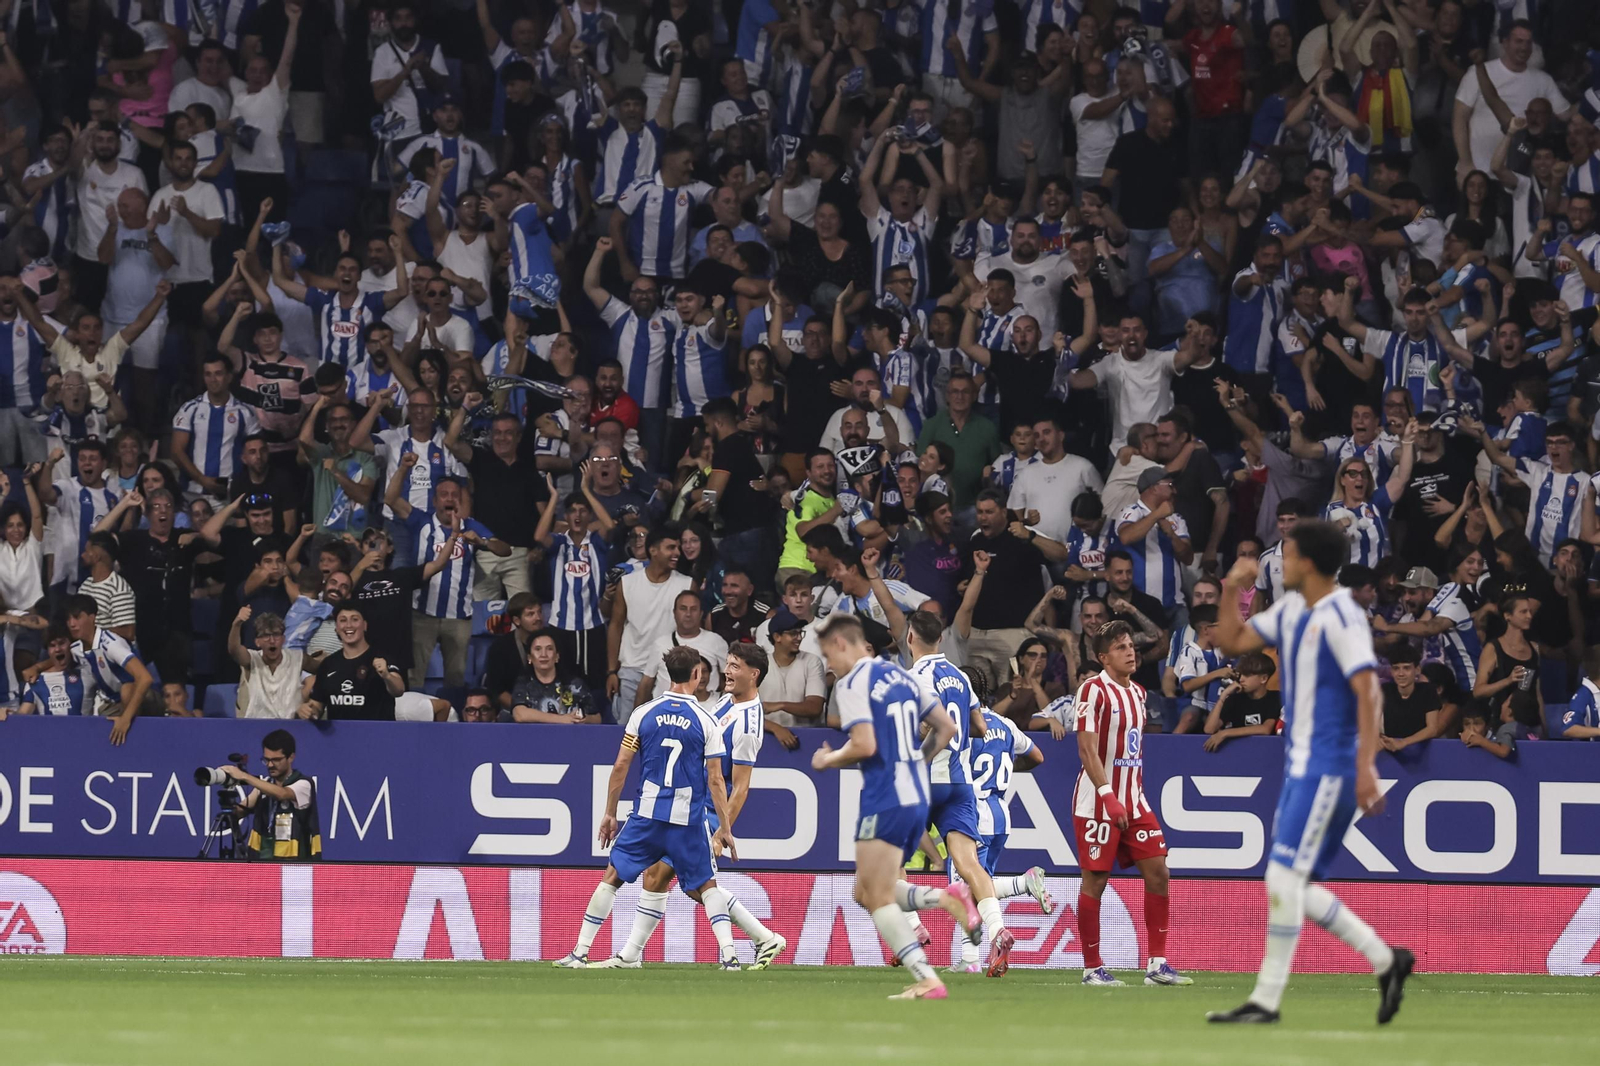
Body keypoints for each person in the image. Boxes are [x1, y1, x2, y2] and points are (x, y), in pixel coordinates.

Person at [1212, 520, 1414, 1024]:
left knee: (1282, 876)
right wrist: (1232, 587)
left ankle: (1267, 1000)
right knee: (1293, 883)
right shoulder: (1291, 609)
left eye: (1290, 553)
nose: (1282, 561)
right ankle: (1387, 960)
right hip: (1303, 766)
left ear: (1307, 562)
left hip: (1330, 767)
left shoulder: (1342, 614)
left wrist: (1366, 766)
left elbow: (1368, 689)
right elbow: (1233, 641)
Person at [587, 642, 788, 970]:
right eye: (729, 664)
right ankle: (630, 956)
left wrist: (722, 832)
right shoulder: (727, 702)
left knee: (693, 885)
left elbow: (740, 786)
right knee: (659, 877)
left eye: (735, 667)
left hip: (704, 811)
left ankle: (763, 937)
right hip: (686, 804)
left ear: (755, 674)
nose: (728, 671)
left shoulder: (750, 725)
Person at [809, 613, 978, 999]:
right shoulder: (903, 676)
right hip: (916, 794)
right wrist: (917, 763)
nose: (828, 665)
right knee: (864, 892)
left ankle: (928, 977)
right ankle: (943, 899)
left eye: (827, 655)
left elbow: (865, 745)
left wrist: (828, 760)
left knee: (877, 896)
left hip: (884, 796)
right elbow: (947, 728)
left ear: (841, 644)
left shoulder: (852, 682)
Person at [555, 646, 743, 970]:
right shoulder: (707, 721)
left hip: (648, 816)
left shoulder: (643, 714)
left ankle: (580, 952)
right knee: (707, 884)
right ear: (697, 675)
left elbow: (621, 766)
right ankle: (730, 957)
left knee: (612, 876)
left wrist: (610, 812)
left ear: (670, 674)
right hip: (687, 820)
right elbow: (715, 780)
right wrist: (725, 828)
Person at [1070, 618, 1189, 988]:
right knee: (1096, 880)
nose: (1130, 651)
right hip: (1098, 803)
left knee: (1159, 872)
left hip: (1134, 802)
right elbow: (1087, 748)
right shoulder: (1093, 691)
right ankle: (1092, 968)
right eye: (1121, 647)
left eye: (1131, 645)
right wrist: (1108, 795)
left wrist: (1126, 796)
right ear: (1104, 657)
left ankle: (1157, 964)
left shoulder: (1138, 693)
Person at [902, 609, 1014, 977]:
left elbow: (922, 728)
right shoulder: (960, 678)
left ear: (909, 638)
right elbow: (980, 726)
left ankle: (915, 927)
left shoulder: (912, 678)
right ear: (940, 640)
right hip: (959, 783)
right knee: (969, 864)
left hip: (923, 780)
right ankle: (997, 929)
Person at [607, 524, 691, 718]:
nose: (677, 553)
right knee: (627, 735)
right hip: (631, 670)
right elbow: (615, 626)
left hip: (669, 672)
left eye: (678, 548)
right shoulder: (627, 583)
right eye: (671, 548)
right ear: (652, 550)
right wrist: (611, 671)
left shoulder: (686, 584)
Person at [64, 592, 154, 745]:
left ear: (92, 618)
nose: (72, 624)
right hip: (112, 704)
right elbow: (61, 656)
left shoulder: (110, 644)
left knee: (127, 690)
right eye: (69, 619)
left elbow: (145, 678)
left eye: (77, 617)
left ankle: (139, 739)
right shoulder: (76, 649)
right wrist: (38, 667)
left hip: (144, 699)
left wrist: (126, 718)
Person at [224, 729, 321, 861]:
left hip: (295, 866)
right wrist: (228, 797)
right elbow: (240, 812)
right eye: (266, 760)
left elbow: (282, 794)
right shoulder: (264, 785)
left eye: (276, 760)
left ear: (291, 757)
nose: (270, 765)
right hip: (263, 861)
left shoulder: (304, 784)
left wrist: (244, 776)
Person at [299, 602, 406, 721]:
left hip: (377, 736)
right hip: (339, 737)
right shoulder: (328, 664)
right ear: (336, 628)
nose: (349, 625)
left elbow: (399, 690)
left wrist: (387, 675)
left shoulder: (382, 658)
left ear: (365, 625)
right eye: (343, 620)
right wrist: (308, 711)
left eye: (355, 619)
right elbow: (317, 705)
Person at [511, 629, 600, 723]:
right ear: (529, 657)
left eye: (549, 649)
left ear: (557, 656)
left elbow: (597, 718)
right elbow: (519, 714)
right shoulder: (524, 683)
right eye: (538, 649)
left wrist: (583, 719)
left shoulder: (574, 684)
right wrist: (561, 719)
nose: (543, 654)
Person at [230, 606, 303, 719]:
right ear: (257, 642)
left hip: (290, 728)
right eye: (266, 636)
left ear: (283, 639)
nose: (272, 640)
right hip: (255, 727)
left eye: (276, 635)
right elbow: (234, 650)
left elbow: (323, 668)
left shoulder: (297, 657)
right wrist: (237, 624)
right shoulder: (251, 659)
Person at [1202, 652, 1282, 751]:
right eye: (1241, 675)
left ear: (1263, 678)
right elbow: (1209, 729)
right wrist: (1223, 696)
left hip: (1266, 752)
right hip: (1238, 753)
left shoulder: (1275, 697)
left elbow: (1265, 729)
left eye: (1247, 675)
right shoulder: (1235, 699)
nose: (1241, 679)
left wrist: (1225, 733)